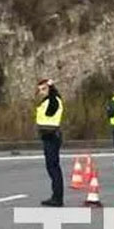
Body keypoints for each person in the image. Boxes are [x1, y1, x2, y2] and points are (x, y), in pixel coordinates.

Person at [35, 78, 64, 207]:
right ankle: (55, 195)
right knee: (51, 167)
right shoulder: (46, 101)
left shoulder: (54, 100)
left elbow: (52, 108)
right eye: (40, 89)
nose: (41, 92)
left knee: (53, 168)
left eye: (44, 89)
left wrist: (52, 88)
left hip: (52, 136)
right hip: (47, 136)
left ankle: (57, 197)